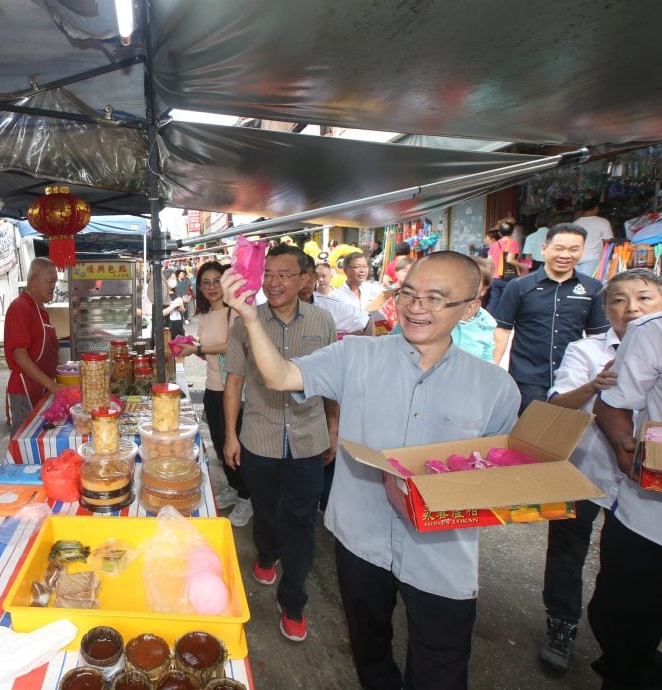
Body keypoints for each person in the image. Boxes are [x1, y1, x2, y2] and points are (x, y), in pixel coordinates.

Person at [222, 250, 520, 689]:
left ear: (471, 307)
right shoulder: (356, 355)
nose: (417, 307)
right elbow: (281, 376)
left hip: (442, 555)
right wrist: (249, 317)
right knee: (370, 652)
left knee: (441, 668)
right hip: (362, 540)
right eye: (409, 294)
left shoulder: (495, 388)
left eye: (436, 298)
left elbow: (493, 473)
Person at [536, 269, 662, 674]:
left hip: (643, 492)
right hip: (585, 472)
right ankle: (561, 625)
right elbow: (556, 407)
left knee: (623, 566)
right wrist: (594, 385)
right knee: (567, 552)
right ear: (605, 309)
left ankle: (619, 634)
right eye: (619, 301)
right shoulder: (586, 350)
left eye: (644, 298)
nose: (632, 309)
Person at [222, 244, 337, 643]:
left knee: (302, 521)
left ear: (305, 279)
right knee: (267, 511)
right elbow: (234, 381)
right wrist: (231, 435)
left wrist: (333, 429)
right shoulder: (244, 322)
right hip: (260, 436)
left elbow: (332, 384)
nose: (273, 282)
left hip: (308, 439)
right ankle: (267, 553)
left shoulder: (323, 322)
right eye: (268, 273)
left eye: (284, 274)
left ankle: (293, 601)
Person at [591, 304, 662, 689]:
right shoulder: (652, 331)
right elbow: (614, 404)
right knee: (624, 640)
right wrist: (624, 445)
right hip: (649, 523)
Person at [492, 223, 608, 412]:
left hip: (573, 379)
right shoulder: (519, 286)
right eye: (559, 248)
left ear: (582, 252)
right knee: (529, 433)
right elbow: (502, 330)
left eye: (574, 249)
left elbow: (597, 337)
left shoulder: (593, 288)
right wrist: (494, 369)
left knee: (565, 435)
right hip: (527, 377)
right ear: (544, 249)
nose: (565, 255)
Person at [180, 261, 252, 527]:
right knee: (222, 444)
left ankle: (248, 496)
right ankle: (235, 488)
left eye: (216, 281)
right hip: (212, 388)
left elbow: (230, 346)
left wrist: (196, 349)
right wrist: (187, 346)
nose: (211, 287)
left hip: (234, 389)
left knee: (237, 445)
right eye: (205, 283)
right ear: (199, 287)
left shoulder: (236, 313)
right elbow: (206, 350)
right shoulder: (205, 316)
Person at [4, 257, 60, 436]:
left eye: (55, 282)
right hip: (24, 389)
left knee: (39, 437)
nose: (54, 286)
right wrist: (52, 386)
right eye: (50, 281)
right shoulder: (20, 307)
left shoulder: (39, 308)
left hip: (40, 386)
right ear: (34, 281)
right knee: (24, 438)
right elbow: (20, 357)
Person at [486, 221, 523, 316]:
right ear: (512, 232)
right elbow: (510, 260)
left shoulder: (494, 244)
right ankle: (504, 320)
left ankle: (491, 321)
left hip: (495, 277)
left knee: (494, 300)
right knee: (508, 300)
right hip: (507, 276)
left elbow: (489, 261)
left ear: (499, 233)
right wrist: (522, 265)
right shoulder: (513, 243)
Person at [573, 197, 613, 277]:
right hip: (592, 257)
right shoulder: (602, 222)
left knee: (575, 283)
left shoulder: (575, 223)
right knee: (586, 284)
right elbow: (608, 239)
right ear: (596, 208)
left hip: (575, 257)